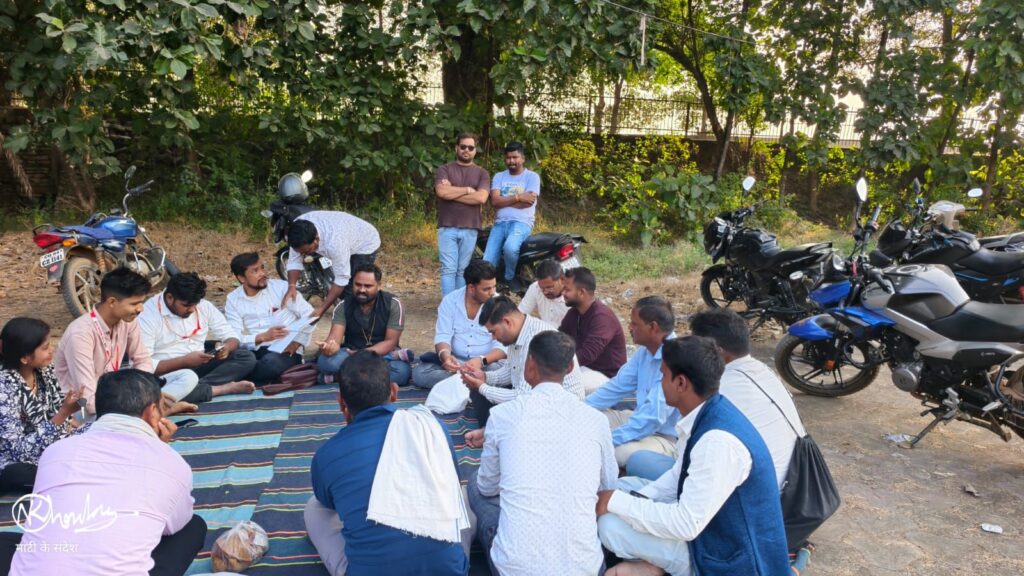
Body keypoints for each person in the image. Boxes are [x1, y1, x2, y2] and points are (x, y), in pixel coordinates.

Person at [595, 336, 790, 576]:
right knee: (623, 487)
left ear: (681, 383)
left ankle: (663, 568)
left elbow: (686, 524)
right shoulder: (707, 411)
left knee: (610, 525)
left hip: (728, 555)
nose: (659, 383)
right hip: (710, 527)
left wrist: (616, 504)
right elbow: (677, 478)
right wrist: (632, 499)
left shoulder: (717, 442)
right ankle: (655, 563)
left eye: (662, 376)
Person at [4, 369, 208, 576]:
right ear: (152, 411)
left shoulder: (55, 452)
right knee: (192, 526)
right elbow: (171, 526)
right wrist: (159, 449)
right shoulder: (172, 463)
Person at [465, 331, 617, 576]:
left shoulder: (503, 416)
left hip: (515, 568)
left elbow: (487, 486)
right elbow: (608, 486)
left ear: (530, 364)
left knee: (475, 484)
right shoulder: (596, 420)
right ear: (570, 368)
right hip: (585, 568)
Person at [305, 351, 470, 575]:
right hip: (448, 571)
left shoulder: (327, 454)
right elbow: (452, 482)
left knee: (314, 509)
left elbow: (329, 504)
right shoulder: (431, 426)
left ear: (341, 402)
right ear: (394, 391)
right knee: (462, 497)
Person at [626, 308, 806, 487]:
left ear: (716, 353)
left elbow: (688, 469)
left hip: (751, 487)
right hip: (791, 480)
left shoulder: (714, 389)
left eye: (698, 348)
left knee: (638, 464)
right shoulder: (763, 371)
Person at [54, 266, 196, 414]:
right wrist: (139, 400)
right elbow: (88, 401)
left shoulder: (127, 321)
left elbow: (142, 360)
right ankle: (155, 411)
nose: (140, 309)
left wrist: (147, 391)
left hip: (115, 393)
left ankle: (149, 411)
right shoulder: (80, 334)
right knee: (98, 415)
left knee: (187, 376)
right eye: (134, 304)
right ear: (112, 302)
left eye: (141, 302)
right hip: (81, 409)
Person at [461, 295, 584, 426]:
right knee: (483, 392)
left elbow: (524, 396)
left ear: (507, 322)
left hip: (560, 409)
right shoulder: (519, 333)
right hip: (536, 397)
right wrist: (484, 377)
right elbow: (511, 371)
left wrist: (482, 387)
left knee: (486, 396)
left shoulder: (535, 340)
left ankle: (489, 432)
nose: (493, 338)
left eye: (493, 332)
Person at [585, 296, 680, 467]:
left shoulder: (676, 358)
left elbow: (652, 419)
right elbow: (616, 387)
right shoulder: (645, 351)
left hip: (664, 437)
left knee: (613, 452)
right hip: (638, 419)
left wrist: (609, 440)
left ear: (653, 327)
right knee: (587, 420)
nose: (629, 328)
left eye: (634, 324)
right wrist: (578, 410)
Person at [138, 272, 256, 404]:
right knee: (152, 392)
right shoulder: (147, 315)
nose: (192, 310)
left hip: (200, 363)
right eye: (186, 305)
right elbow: (143, 366)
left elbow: (231, 336)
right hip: (168, 373)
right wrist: (184, 361)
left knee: (246, 357)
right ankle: (219, 389)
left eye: (195, 304)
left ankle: (195, 388)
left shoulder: (203, 306)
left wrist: (227, 348)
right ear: (170, 298)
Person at [0, 318, 80, 494]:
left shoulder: (45, 371)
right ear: (24, 357)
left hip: (50, 444)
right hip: (17, 460)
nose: (52, 351)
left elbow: (59, 411)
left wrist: (73, 410)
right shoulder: (4, 387)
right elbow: (17, 451)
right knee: (18, 474)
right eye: (45, 348)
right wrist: (63, 414)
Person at [411, 259, 506, 389]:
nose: (492, 292)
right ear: (471, 288)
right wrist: (446, 357)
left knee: (502, 370)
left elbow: (503, 347)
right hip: (457, 365)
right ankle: (474, 384)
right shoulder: (450, 301)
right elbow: (443, 336)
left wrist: (481, 361)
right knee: (420, 373)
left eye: (494, 287)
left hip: (487, 363)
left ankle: (460, 383)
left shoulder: (500, 304)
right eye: (486, 289)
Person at [316, 264, 413, 387]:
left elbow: (391, 342)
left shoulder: (393, 304)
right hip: (350, 354)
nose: (362, 290)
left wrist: (362, 354)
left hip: (381, 354)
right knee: (326, 363)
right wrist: (330, 347)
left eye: (368, 286)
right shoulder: (343, 306)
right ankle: (372, 375)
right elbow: (334, 338)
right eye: (358, 285)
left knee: (401, 373)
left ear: (379, 285)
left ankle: (339, 377)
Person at [225, 252, 314, 386]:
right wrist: (261, 337)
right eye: (255, 271)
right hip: (255, 350)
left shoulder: (281, 288)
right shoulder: (233, 299)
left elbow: (310, 315)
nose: (262, 273)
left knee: (270, 364)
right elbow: (234, 337)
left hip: (285, 349)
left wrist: (296, 343)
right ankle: (254, 378)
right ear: (242, 278)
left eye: (262, 268)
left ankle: (238, 378)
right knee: (227, 355)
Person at [283, 210, 381, 318]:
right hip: (344, 233)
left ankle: (365, 316)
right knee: (341, 283)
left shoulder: (334, 244)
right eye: (300, 252)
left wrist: (322, 308)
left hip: (364, 243)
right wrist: (291, 286)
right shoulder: (296, 231)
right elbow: (294, 261)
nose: (303, 255)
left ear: (316, 240)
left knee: (353, 288)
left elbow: (341, 279)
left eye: (307, 251)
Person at [435, 132, 491, 296]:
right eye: (463, 146)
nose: (467, 150)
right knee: (448, 269)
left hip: (470, 228)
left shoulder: (482, 173)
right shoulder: (444, 169)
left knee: (462, 270)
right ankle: (448, 305)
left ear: (475, 150)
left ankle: (459, 305)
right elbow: (442, 192)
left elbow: (481, 198)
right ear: (456, 148)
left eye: (470, 147)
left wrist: (452, 192)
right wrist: (467, 190)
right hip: (447, 227)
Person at [483, 141, 541, 293]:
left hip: (521, 223)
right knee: (487, 262)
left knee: (510, 247)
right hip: (500, 224)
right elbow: (495, 202)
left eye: (515, 157)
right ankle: (491, 290)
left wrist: (505, 201)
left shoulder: (532, 177)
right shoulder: (499, 176)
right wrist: (518, 197)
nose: (511, 161)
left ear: (523, 158)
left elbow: (528, 203)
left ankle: (509, 277)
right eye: (508, 158)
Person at [559, 266, 627, 393]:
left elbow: (588, 354)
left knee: (562, 384)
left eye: (567, 290)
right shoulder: (574, 313)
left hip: (607, 376)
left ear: (581, 292)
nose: (563, 293)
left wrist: (557, 365)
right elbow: (559, 338)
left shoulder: (602, 317)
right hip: (583, 367)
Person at [517, 258, 570, 326]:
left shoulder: (575, 298)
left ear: (562, 279)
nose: (545, 292)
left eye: (549, 287)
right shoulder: (535, 288)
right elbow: (520, 313)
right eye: (542, 288)